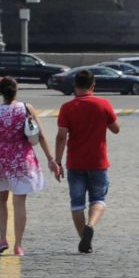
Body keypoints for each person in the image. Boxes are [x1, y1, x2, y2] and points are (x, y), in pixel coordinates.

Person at [0, 76, 57, 257]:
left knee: (1, 200)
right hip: (22, 159)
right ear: (16, 90)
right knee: (19, 203)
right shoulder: (26, 108)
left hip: (2, 159)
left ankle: (2, 239)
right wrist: (50, 158)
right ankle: (18, 245)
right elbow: (39, 135)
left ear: (0, 92)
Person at [54, 68, 121, 254]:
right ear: (93, 86)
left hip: (75, 163)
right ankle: (90, 226)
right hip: (98, 162)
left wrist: (57, 162)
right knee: (98, 199)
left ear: (75, 86)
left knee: (76, 204)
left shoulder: (66, 108)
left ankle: (84, 238)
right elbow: (116, 129)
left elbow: (61, 137)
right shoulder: (103, 104)